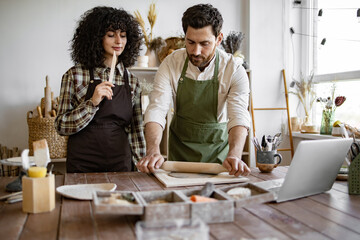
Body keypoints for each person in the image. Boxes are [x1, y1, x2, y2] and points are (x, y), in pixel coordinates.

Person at [137, 4, 251, 176]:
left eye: (204, 44)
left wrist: (234, 155)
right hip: (179, 157)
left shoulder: (233, 69)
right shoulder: (171, 63)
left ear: (218, 39)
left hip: (218, 159)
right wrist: (153, 150)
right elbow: (157, 109)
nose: (196, 51)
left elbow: (239, 115)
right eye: (190, 42)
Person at [55, 6, 145, 173]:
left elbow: (136, 131)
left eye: (123, 36)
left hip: (120, 163)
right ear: (96, 38)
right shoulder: (74, 76)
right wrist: (92, 103)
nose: (119, 41)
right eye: (111, 35)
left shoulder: (132, 81)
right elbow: (61, 126)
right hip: (82, 163)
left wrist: (141, 167)